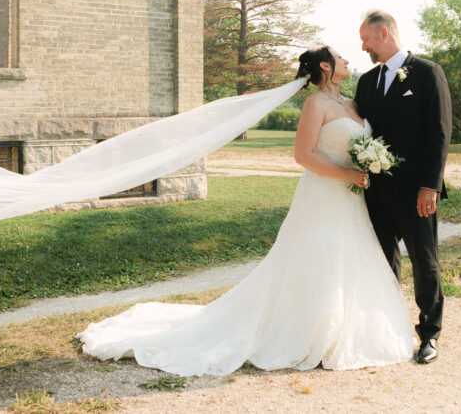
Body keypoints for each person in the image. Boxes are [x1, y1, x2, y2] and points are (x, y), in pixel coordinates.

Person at [78, 46, 415, 376]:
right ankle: (306, 331)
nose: (346, 59)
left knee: (349, 257)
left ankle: (346, 328)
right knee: (317, 257)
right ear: (325, 67)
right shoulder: (315, 104)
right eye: (339, 57)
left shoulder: (351, 103)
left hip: (350, 198)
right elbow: (303, 155)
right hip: (324, 194)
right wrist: (347, 174)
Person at [354, 9, 452, 364]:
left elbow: (439, 134)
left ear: (383, 33)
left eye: (365, 38)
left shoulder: (427, 73)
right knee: (382, 262)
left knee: (425, 262)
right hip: (376, 193)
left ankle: (429, 335)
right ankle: (389, 329)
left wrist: (431, 186)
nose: (362, 45)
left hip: (416, 193)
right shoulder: (366, 82)